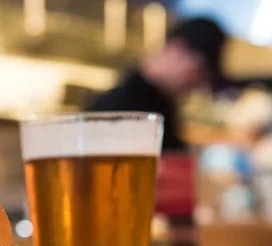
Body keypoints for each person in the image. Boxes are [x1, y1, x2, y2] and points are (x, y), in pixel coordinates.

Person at [88, 17, 227, 150]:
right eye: (199, 72)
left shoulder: (161, 104)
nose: (197, 85)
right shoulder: (118, 106)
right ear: (177, 50)